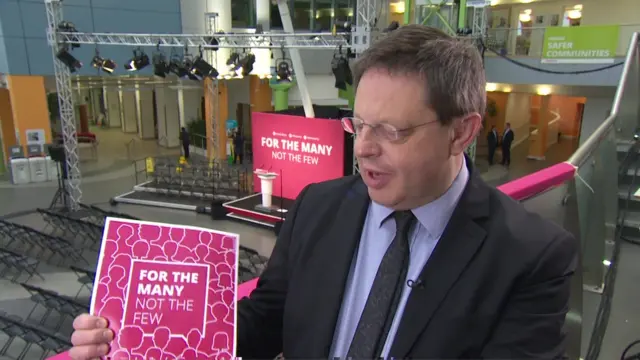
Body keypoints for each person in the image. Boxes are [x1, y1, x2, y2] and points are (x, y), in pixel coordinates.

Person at [68, 25, 578, 360]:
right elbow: (266, 318)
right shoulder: (320, 206)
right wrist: (138, 337)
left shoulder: (531, 257)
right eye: (359, 125)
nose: (364, 150)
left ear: (462, 133)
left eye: (393, 132)